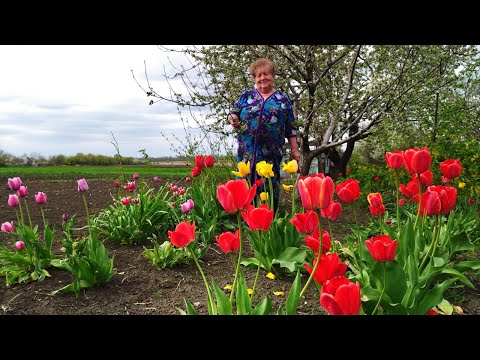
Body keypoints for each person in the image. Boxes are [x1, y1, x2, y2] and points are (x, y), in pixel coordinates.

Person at [227, 58, 300, 212]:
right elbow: (233, 112)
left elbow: (291, 127)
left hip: (270, 152)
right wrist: (233, 119)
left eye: (266, 74)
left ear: (273, 76)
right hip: (247, 150)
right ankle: (246, 217)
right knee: (245, 184)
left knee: (268, 184)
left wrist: (295, 149)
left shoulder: (282, 99)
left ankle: (267, 218)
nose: (262, 78)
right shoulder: (247, 96)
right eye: (258, 75)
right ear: (254, 78)